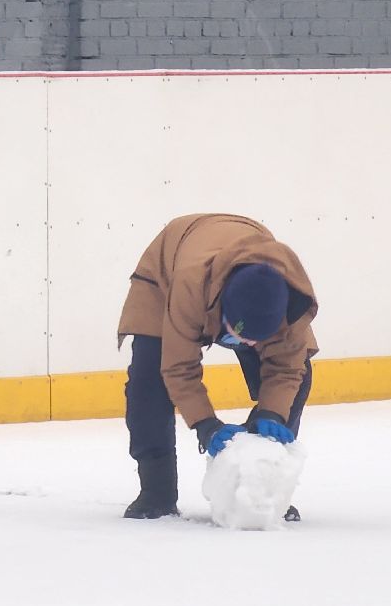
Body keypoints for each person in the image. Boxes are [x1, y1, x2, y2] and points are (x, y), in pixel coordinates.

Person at [116, 213, 318, 519]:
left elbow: (287, 369)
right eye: (241, 337)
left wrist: (271, 413)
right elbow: (178, 367)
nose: (249, 346)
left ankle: (263, 488)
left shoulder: (290, 303)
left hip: (242, 269)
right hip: (167, 271)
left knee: (298, 378)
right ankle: (156, 491)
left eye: (258, 339)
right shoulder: (190, 285)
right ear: (222, 314)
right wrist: (205, 425)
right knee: (149, 379)